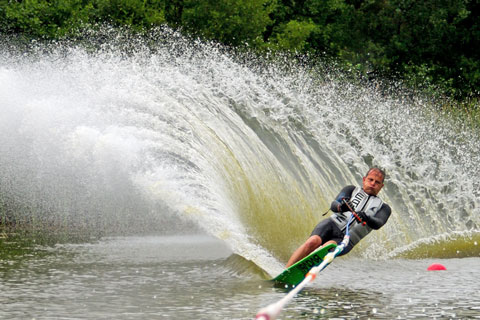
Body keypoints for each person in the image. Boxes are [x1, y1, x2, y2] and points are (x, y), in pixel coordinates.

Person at [285, 167, 391, 267]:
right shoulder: (351, 190)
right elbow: (334, 204)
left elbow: (378, 223)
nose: (372, 184)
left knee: (328, 247)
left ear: (381, 186)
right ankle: (287, 269)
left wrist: (366, 217)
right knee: (312, 242)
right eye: (370, 179)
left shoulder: (384, 207)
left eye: (377, 182)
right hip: (331, 225)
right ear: (364, 180)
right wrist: (341, 207)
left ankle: (301, 273)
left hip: (347, 239)